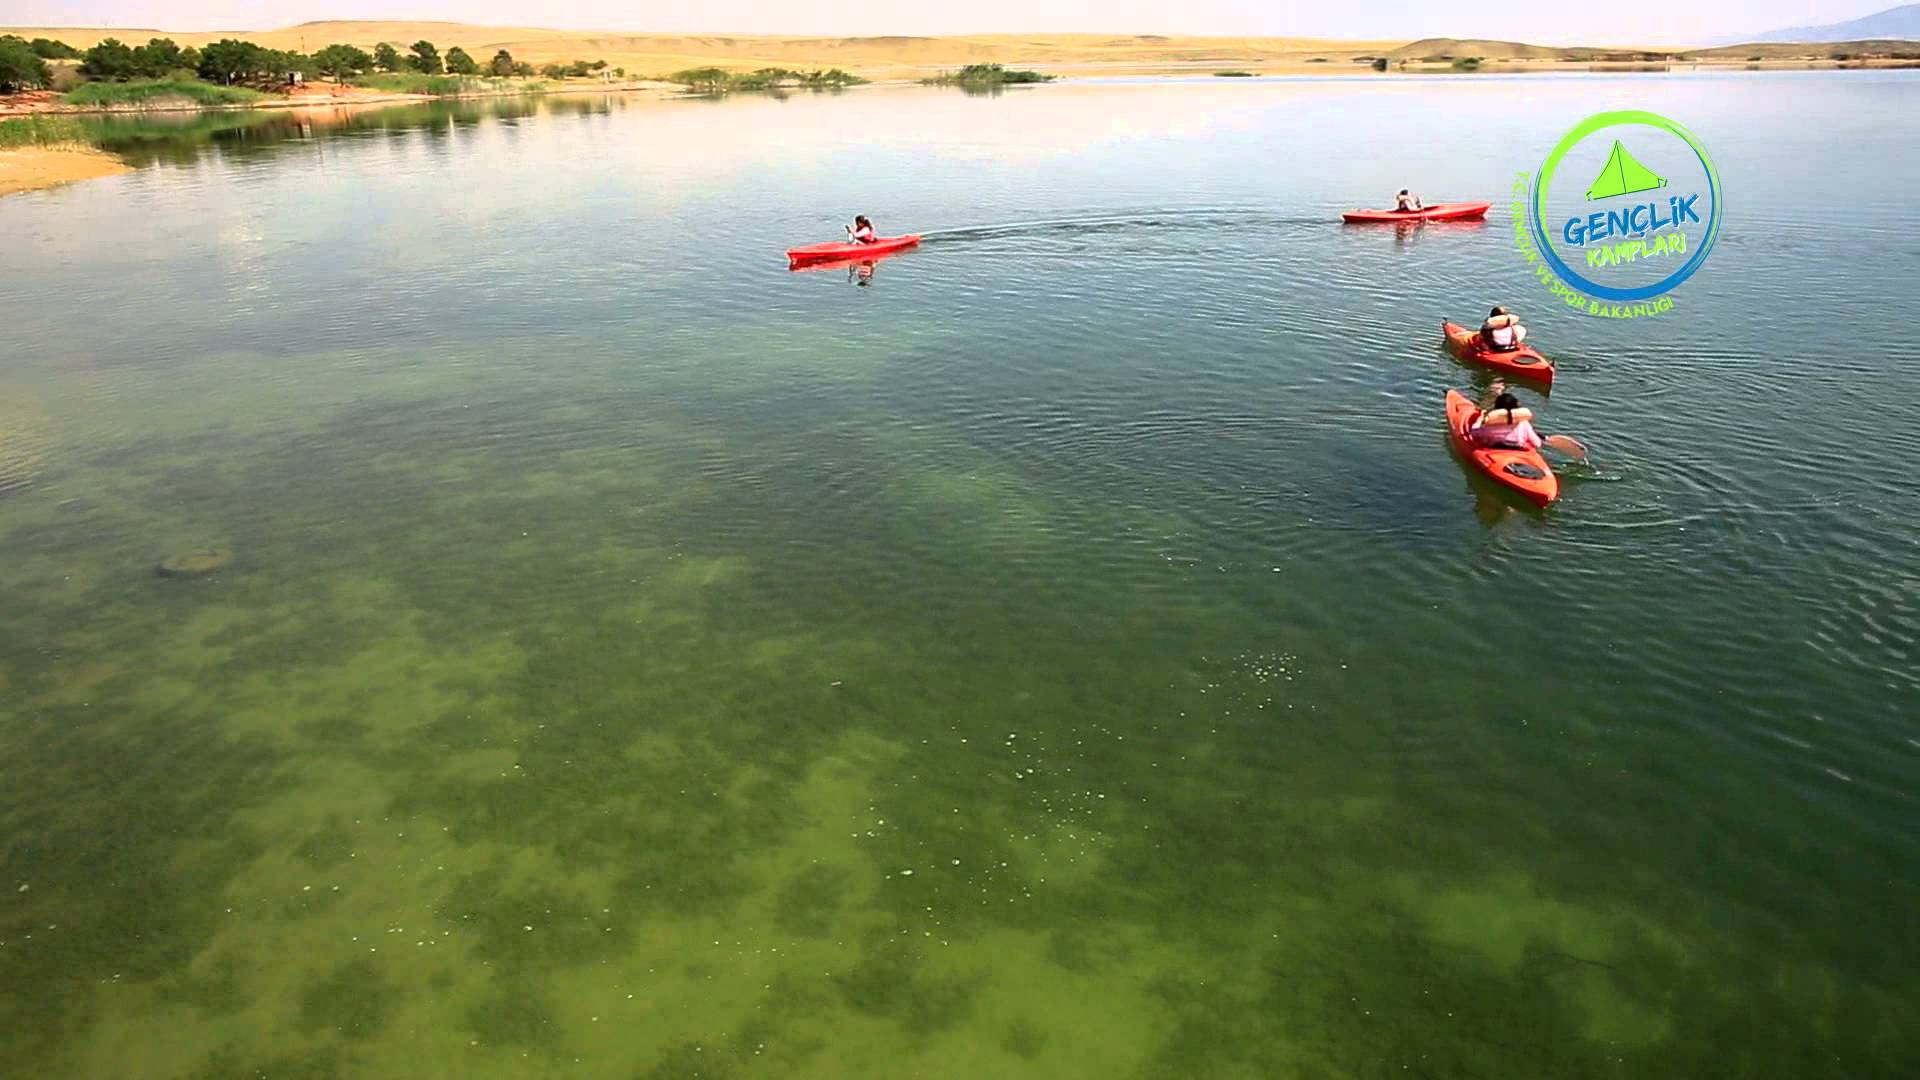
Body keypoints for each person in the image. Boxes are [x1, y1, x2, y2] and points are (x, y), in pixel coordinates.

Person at [1470, 390, 1543, 451]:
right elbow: (1537, 443)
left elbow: (1474, 433)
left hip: (1496, 451)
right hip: (1518, 450)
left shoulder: (1491, 424)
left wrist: (1479, 420)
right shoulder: (1523, 423)